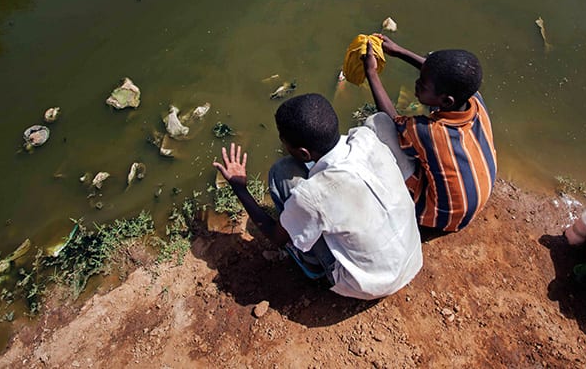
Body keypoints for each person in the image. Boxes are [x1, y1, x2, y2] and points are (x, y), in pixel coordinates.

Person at [212, 93, 422, 300]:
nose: (283, 145)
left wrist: (239, 188)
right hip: (411, 257)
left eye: (283, 141)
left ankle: (312, 262)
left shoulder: (311, 196)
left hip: (369, 285)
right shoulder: (367, 138)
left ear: (304, 153)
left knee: (282, 172)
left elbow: (276, 237)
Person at [362, 35, 497, 233]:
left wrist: (371, 73)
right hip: (476, 195)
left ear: (447, 101)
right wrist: (399, 52)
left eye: (422, 85)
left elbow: (392, 120)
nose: (416, 84)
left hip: (440, 217)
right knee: (434, 110)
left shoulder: (428, 131)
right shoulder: (474, 100)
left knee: (378, 123)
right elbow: (440, 74)